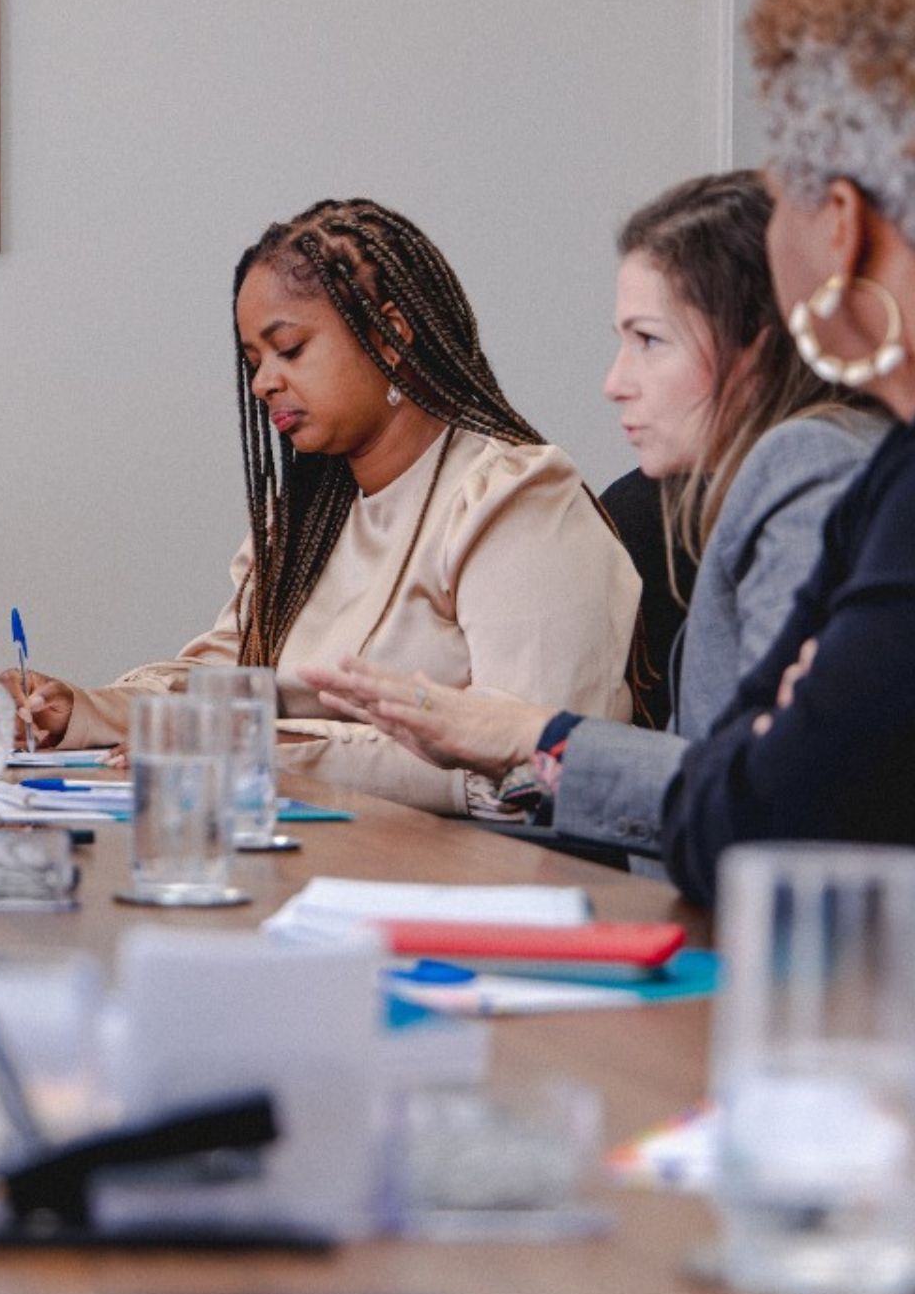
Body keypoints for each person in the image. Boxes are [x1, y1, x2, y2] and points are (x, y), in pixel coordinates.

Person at [301, 174, 884, 860]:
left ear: (755, 345)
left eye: (649, 341)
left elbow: (771, 797)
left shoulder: (804, 462)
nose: (616, 382)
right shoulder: (799, 465)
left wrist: (535, 734)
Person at [0, 198, 638, 816]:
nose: (262, 382)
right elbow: (227, 678)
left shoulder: (512, 499)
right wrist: (82, 711)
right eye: (253, 361)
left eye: (290, 349)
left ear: (390, 336)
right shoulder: (307, 519)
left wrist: (262, 750)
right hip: (322, 863)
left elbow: (536, 770)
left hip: (491, 886)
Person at [655, 0, 915, 898]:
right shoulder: (890, 468)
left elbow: (745, 823)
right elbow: (709, 803)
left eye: (777, 196)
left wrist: (780, 724)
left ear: (840, 226)